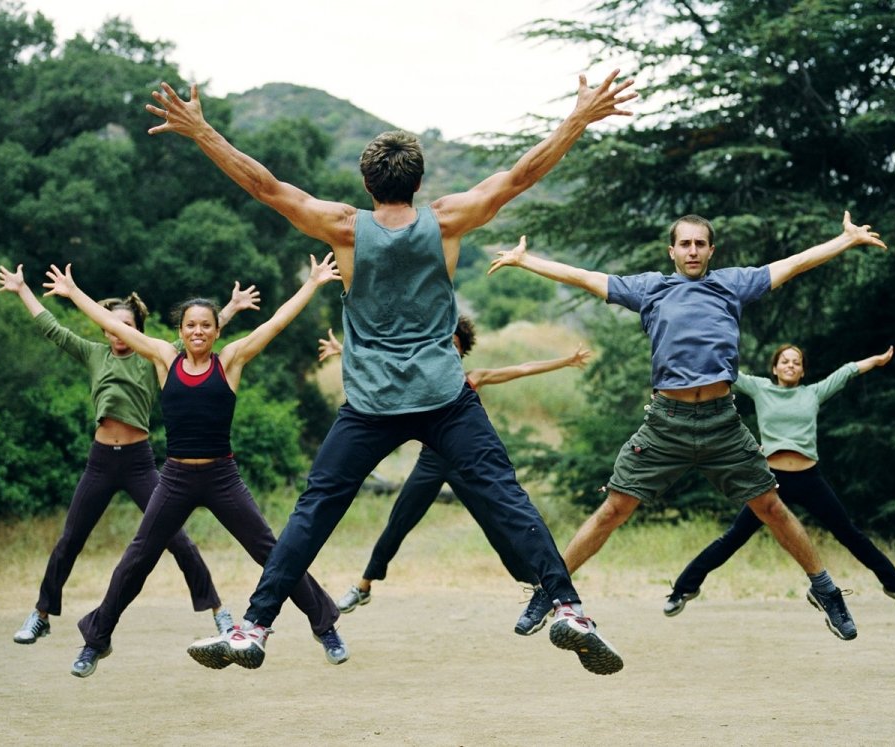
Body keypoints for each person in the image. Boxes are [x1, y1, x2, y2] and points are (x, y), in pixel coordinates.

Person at [149, 69, 636, 675]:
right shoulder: (449, 220)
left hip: (372, 403)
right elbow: (522, 175)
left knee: (314, 510)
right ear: (420, 181)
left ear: (366, 181)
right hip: (444, 395)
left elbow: (267, 187)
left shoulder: (344, 228)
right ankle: (568, 609)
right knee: (506, 496)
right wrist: (578, 120)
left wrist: (203, 132)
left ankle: (254, 627)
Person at [488, 214, 887, 642]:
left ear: (711, 251)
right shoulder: (650, 289)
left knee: (771, 507)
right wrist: (526, 261)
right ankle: (550, 590)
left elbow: (792, 263)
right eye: (685, 244)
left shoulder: (732, 284)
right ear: (672, 251)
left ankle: (824, 590)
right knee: (614, 510)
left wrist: (843, 242)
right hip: (666, 424)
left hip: (722, 423)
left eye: (701, 244)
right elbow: (586, 277)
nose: (693, 251)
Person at [39, 255, 348, 678]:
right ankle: (96, 640)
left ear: (217, 329)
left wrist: (312, 284)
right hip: (177, 477)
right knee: (138, 557)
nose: (198, 331)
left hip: (222, 476)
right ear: (180, 331)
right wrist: (74, 294)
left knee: (274, 552)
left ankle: (325, 626)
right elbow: (116, 327)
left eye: (206, 325)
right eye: (190, 325)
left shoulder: (231, 360)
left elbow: (275, 323)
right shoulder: (165, 358)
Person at [0, 265, 259, 646]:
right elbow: (51, 328)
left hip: (139, 462)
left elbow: (197, 336)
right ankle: (41, 614)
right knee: (71, 538)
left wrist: (230, 309)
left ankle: (218, 612)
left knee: (178, 540)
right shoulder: (92, 354)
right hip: (101, 461)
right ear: (106, 329)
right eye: (114, 325)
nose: (121, 332)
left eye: (129, 326)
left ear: (138, 330)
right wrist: (23, 290)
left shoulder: (152, 357)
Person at [319, 319, 591, 632]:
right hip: (430, 463)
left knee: (499, 528)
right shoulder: (421, 376)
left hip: (465, 465)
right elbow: (381, 362)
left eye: (454, 343)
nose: (447, 346)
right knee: (398, 522)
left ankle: (546, 590)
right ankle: (363, 586)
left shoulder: (472, 378)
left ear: (461, 351)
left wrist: (566, 361)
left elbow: (523, 368)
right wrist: (342, 349)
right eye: (442, 341)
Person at [664, 343, 895, 617]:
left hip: (809, 479)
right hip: (770, 481)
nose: (790, 365)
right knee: (734, 537)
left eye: (796, 362)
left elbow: (847, 372)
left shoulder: (813, 392)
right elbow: (724, 371)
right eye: (785, 361)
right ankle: (682, 590)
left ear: (802, 372)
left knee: (850, 534)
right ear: (775, 368)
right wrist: (689, 350)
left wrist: (877, 360)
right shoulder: (761, 388)